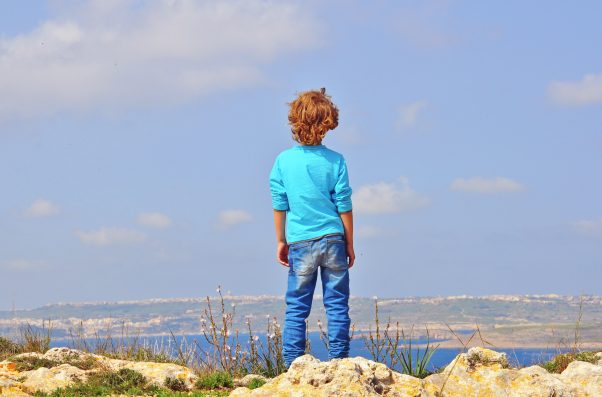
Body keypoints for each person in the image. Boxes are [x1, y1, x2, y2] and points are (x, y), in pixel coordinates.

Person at [269, 87, 355, 368]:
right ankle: (339, 363)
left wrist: (281, 240)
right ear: (328, 124)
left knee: (296, 308)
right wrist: (349, 243)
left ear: (295, 121)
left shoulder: (283, 161)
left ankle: (293, 367)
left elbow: (280, 203)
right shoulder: (336, 160)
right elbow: (343, 204)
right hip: (333, 238)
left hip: (300, 241)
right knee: (337, 305)